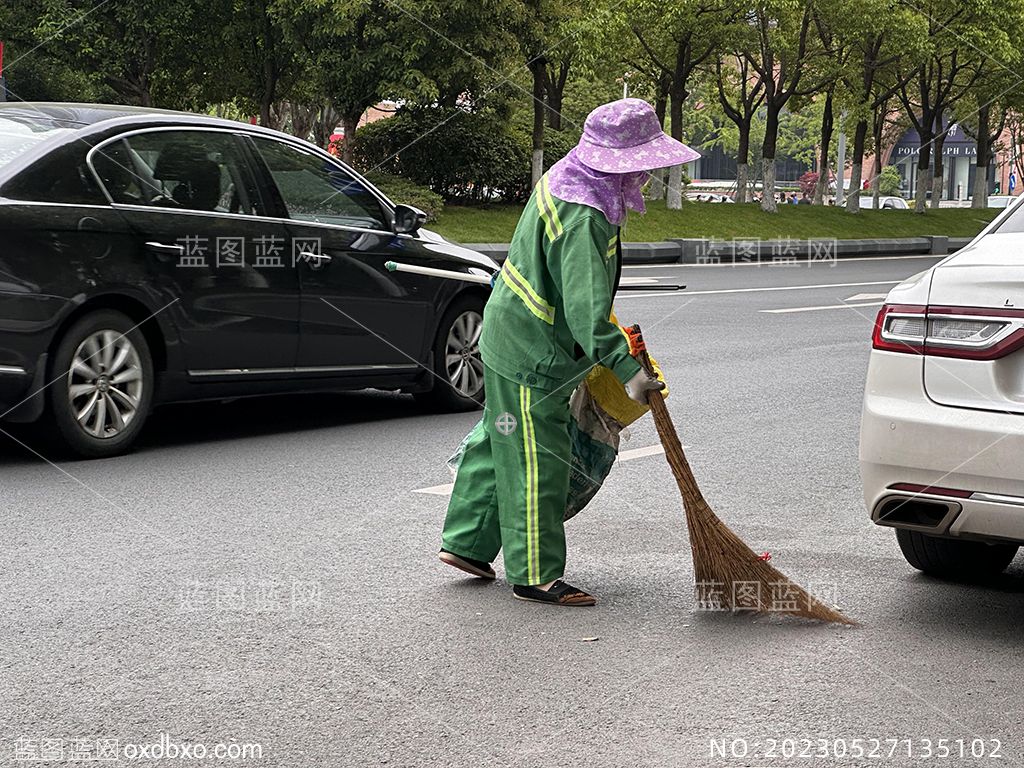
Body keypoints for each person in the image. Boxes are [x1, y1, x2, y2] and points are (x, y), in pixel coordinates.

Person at [438, 99, 697, 607]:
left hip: (509, 339)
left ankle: (466, 544)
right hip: (533, 355)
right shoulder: (586, 217)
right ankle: (534, 574)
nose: (646, 176)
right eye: (643, 166)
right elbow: (586, 311)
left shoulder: (569, 175)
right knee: (539, 458)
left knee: (502, 438)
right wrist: (629, 370)